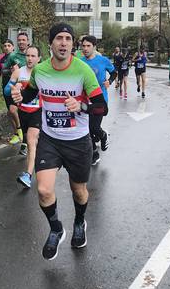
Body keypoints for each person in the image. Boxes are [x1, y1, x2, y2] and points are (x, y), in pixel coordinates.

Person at [11, 23, 107, 260]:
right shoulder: (41, 70)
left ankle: (79, 222)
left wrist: (81, 105)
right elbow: (32, 92)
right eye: (59, 39)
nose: (64, 43)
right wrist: (19, 94)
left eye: (68, 39)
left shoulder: (83, 71)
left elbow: (101, 107)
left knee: (79, 190)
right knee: (43, 189)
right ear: (51, 43)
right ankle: (56, 228)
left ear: (72, 44)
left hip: (77, 141)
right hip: (50, 139)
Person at [3, 45, 42, 188]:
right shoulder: (18, 72)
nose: (30, 59)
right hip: (23, 112)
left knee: (31, 142)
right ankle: (34, 163)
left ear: (39, 58)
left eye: (33, 56)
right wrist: (14, 87)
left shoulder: (42, 73)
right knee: (29, 142)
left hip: (37, 112)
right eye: (28, 56)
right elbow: (7, 91)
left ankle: (28, 175)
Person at [79, 35, 116, 165]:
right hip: (84, 100)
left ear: (94, 47)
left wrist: (109, 81)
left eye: (88, 46)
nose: (85, 48)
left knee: (94, 127)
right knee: (87, 129)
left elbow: (114, 72)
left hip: (100, 100)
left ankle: (103, 135)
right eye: (83, 46)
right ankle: (94, 153)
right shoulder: (79, 61)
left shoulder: (103, 60)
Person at [0, 39, 24, 145]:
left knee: (13, 110)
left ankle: (21, 130)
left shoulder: (17, 58)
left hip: (17, 87)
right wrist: (3, 72)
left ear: (13, 47)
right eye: (5, 45)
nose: (7, 47)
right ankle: (16, 134)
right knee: (10, 112)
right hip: (6, 86)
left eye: (9, 45)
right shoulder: (1, 58)